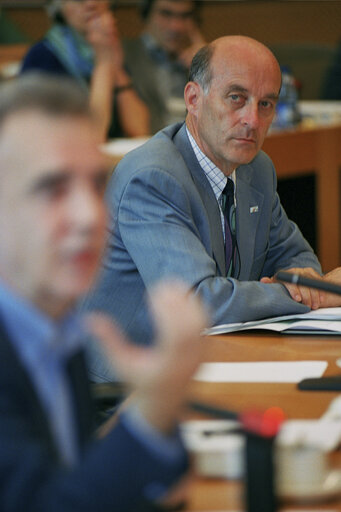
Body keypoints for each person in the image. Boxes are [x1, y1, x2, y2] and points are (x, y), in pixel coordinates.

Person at [0, 73, 207, 511]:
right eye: (53, 189)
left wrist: (156, 409)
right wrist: (154, 404)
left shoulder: (56, 324)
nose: (90, 216)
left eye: (96, 186)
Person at [81, 35, 341, 381]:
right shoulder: (152, 178)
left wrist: (307, 282)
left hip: (211, 362)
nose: (252, 119)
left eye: (266, 104)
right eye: (236, 98)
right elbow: (198, 303)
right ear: (193, 99)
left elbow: (297, 259)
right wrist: (316, 295)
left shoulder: (256, 168)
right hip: (128, 388)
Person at [21, 0, 149, 141]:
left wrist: (116, 66)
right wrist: (104, 64)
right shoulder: (42, 57)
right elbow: (91, 137)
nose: (91, 4)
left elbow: (140, 130)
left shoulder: (107, 47)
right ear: (59, 8)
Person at [123, 0, 205, 133]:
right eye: (166, 14)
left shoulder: (200, 62)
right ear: (146, 14)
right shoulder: (123, 55)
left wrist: (207, 70)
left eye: (185, 16)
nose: (176, 27)